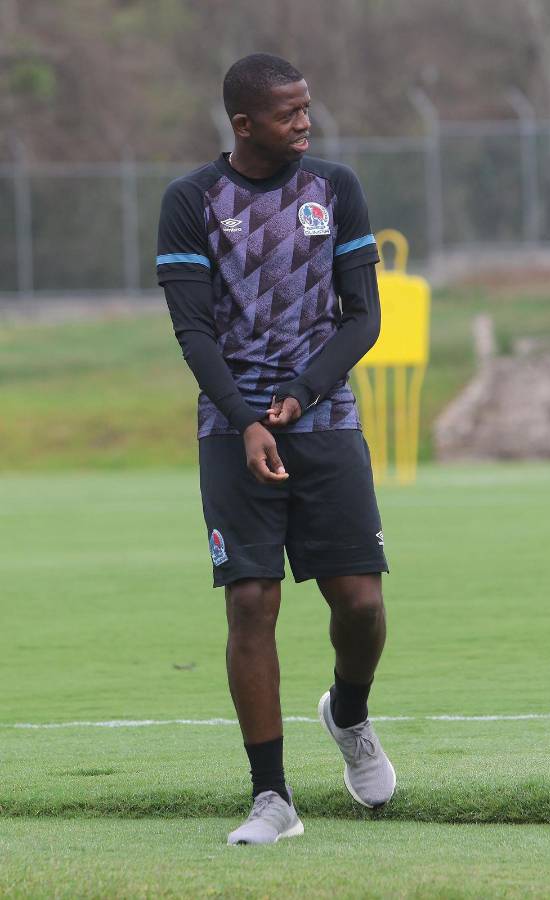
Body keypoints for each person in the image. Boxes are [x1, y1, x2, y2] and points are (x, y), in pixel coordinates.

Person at [157, 53, 395, 846]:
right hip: (231, 430)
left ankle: (349, 716)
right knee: (251, 604)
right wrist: (249, 417)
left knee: (359, 605)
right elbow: (192, 329)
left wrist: (299, 394)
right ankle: (272, 798)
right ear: (244, 123)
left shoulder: (336, 188)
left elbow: (362, 317)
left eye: (307, 108)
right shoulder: (191, 201)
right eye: (289, 112)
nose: (305, 122)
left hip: (324, 421)